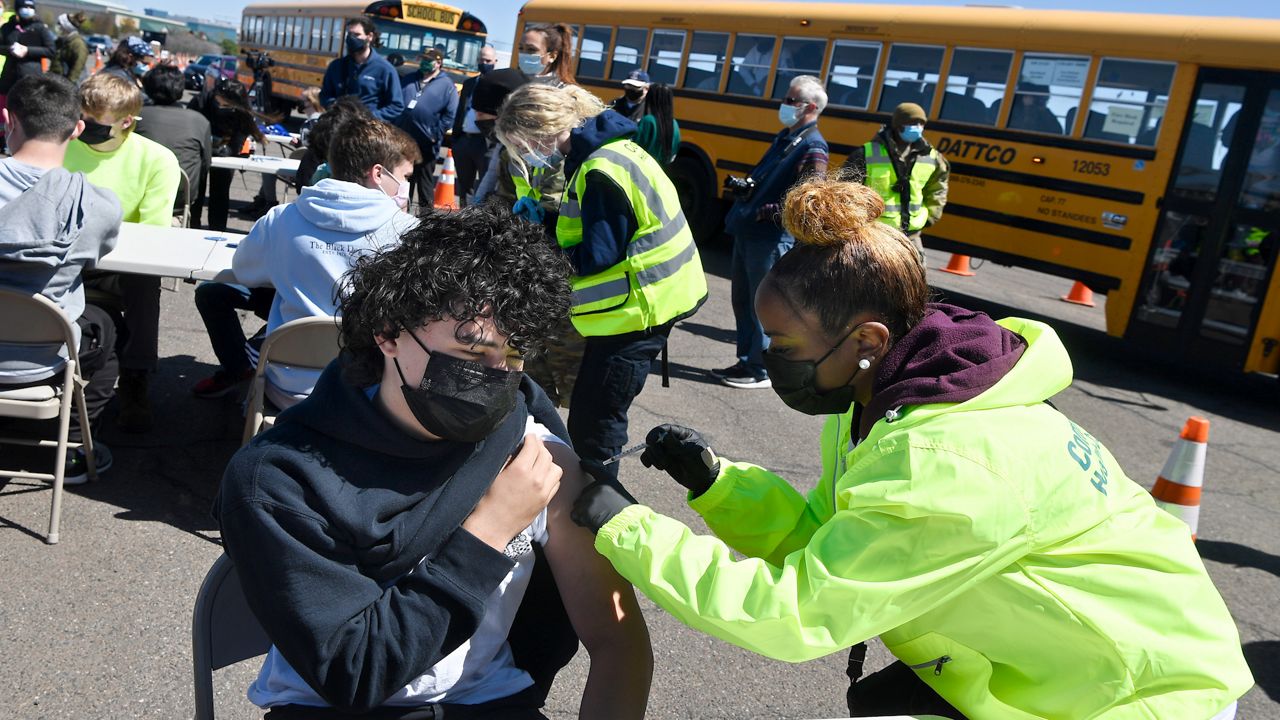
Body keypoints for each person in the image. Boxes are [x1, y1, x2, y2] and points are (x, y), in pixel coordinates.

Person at [570, 174, 1256, 720]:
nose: (772, 358)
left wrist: (626, 527)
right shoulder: (891, 399)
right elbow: (834, 545)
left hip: (1139, 698)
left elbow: (796, 614)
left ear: (866, 340)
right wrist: (722, 486)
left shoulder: (949, 456)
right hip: (1055, 671)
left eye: (784, 346)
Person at [215, 204, 653, 718]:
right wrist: (489, 532)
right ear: (388, 333)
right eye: (471, 354)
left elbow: (617, 639)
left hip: (490, 700)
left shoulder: (531, 443)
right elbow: (354, 675)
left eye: (513, 358)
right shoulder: (280, 479)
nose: (494, 378)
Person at [496, 83, 707, 482]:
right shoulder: (612, 151)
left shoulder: (598, 169)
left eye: (522, 146)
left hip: (640, 312)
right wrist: (547, 222)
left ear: (538, 132)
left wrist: (541, 247)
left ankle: (600, 510)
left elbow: (598, 256)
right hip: (651, 302)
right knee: (594, 417)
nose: (526, 157)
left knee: (596, 428)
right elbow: (601, 232)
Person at [192, 118, 420, 404]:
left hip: (284, 384)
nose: (406, 185)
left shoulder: (282, 218)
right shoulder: (407, 233)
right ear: (378, 173)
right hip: (366, 393)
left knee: (216, 293)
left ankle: (241, 369)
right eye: (406, 176)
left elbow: (244, 271)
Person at [0, 74, 121, 482]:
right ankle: (69, 451)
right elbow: (97, 257)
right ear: (78, 128)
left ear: (6, 119)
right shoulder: (98, 206)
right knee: (105, 330)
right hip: (42, 360)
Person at [63, 72, 181, 434]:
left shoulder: (157, 160)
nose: (83, 129)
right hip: (67, 257)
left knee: (145, 280)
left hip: (122, 261)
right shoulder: (62, 146)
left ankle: (136, 378)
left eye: (95, 124)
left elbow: (153, 234)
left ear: (127, 122)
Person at [712, 74, 828, 390]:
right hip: (749, 231)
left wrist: (770, 211)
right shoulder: (786, 138)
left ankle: (762, 368)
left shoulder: (813, 146)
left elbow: (809, 197)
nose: (784, 104)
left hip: (771, 237)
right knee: (743, 301)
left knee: (763, 305)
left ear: (811, 107)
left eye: (791, 100)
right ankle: (747, 360)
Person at [842, 101, 948, 265]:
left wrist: (930, 216)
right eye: (912, 123)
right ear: (899, 125)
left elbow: (937, 189)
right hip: (874, 234)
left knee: (914, 283)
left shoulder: (931, 157)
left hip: (911, 236)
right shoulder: (866, 153)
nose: (918, 127)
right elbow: (847, 191)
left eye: (921, 123)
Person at [136, 64, 211, 225]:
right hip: (179, 203)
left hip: (135, 197)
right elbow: (205, 166)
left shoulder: (135, 116)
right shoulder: (198, 120)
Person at [198, 79, 264, 232]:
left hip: (226, 150)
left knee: (220, 192)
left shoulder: (243, 112)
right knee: (196, 191)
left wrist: (228, 150)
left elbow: (240, 138)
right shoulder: (202, 101)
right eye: (219, 102)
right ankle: (192, 225)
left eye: (227, 105)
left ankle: (217, 231)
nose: (221, 107)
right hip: (200, 148)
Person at [395, 47, 456, 207]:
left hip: (426, 145)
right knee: (403, 184)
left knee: (424, 187)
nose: (424, 63)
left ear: (438, 63)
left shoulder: (446, 85)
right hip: (403, 141)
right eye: (423, 59)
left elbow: (450, 115)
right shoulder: (409, 78)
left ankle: (426, 222)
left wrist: (434, 134)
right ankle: (401, 219)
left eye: (428, 60)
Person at [319, 17, 403, 122]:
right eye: (349, 34)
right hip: (338, 126)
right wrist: (336, 108)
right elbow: (324, 95)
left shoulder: (385, 69)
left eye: (357, 35)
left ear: (370, 36)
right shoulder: (336, 66)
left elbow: (396, 105)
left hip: (368, 129)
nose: (351, 38)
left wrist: (369, 117)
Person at [451, 44, 497, 205]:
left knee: (486, 188)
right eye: (481, 60)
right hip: (464, 140)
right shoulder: (469, 83)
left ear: (495, 61)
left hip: (485, 143)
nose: (484, 63)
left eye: (488, 60)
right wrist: (455, 140)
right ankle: (465, 219)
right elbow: (460, 111)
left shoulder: (497, 85)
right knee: (464, 187)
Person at [0, 0, 56, 114]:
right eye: (24, 7)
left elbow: (51, 50)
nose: (28, 10)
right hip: (8, 77)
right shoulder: (7, 28)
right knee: (4, 109)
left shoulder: (40, 28)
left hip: (30, 76)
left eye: (30, 7)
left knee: (26, 110)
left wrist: (27, 50)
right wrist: (10, 50)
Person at [634, 82, 679, 168]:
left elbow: (635, 147)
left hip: (643, 168)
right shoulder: (674, 124)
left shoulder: (648, 121)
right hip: (661, 170)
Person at [50, 12, 88, 85]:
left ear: (66, 27)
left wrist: (68, 85)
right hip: (57, 80)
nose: (58, 27)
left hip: (70, 84)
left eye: (60, 24)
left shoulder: (78, 44)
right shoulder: (60, 41)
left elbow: (77, 67)